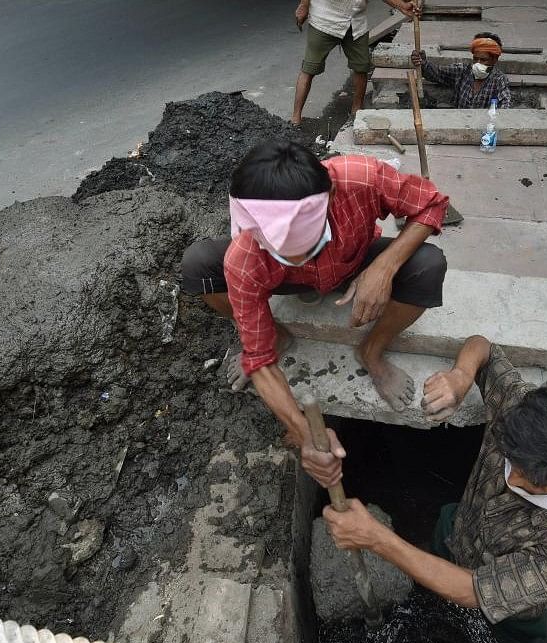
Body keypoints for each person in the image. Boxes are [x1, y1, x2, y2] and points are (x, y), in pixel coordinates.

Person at [322, 335, 547, 643]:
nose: (511, 480)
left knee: (523, 641)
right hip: (458, 528)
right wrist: (461, 376)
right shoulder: (519, 409)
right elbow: (484, 349)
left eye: (533, 482)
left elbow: (473, 590)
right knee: (439, 557)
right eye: (510, 462)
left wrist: (376, 538)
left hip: (516, 605)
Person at [181, 139, 449, 486]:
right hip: (283, 283)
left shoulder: (360, 178)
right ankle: (278, 332)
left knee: (428, 265)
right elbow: (259, 361)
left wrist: (383, 268)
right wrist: (305, 433)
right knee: (199, 266)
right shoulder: (248, 256)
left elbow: (431, 203)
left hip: (352, 260)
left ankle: (372, 350)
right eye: (279, 251)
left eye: (301, 249)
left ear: (332, 196)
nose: (291, 257)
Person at [292, 0, 419, 125]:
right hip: (325, 20)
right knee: (309, 68)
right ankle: (295, 118)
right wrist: (304, 5)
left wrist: (402, 6)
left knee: (361, 66)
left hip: (356, 23)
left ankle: (356, 110)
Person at [410, 33, 512, 109]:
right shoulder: (463, 71)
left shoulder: (499, 80)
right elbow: (437, 73)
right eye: (475, 59)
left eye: (483, 60)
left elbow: (505, 105)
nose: (478, 63)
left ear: (494, 60)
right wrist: (423, 63)